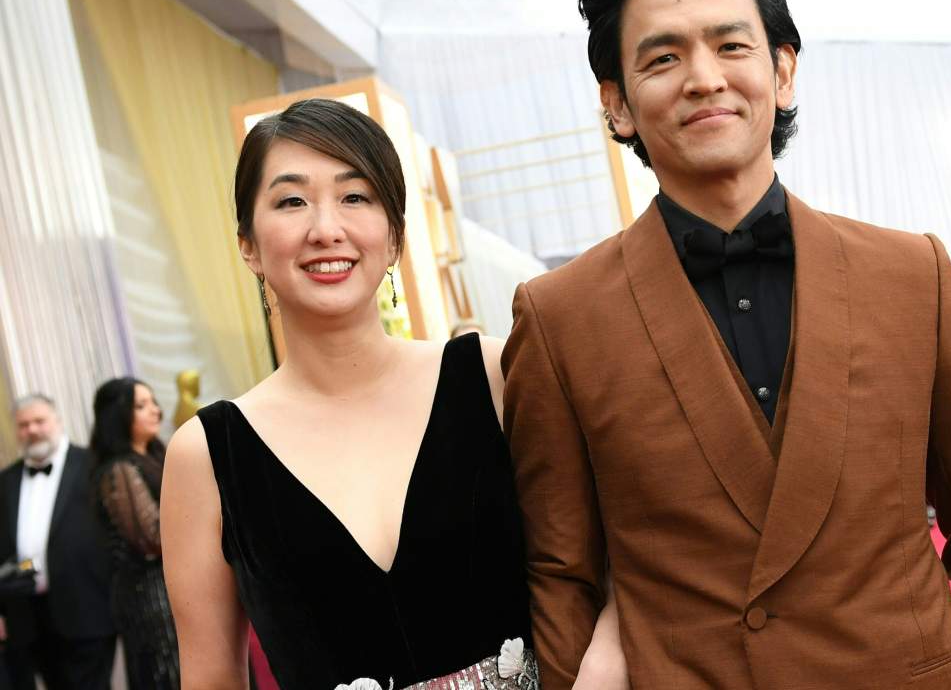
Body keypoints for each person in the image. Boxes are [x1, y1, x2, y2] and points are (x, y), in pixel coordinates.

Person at [503, 0, 951, 689]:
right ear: (617, 104)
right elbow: (560, 571)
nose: (704, 78)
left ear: (783, 71)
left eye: (731, 46)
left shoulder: (914, 275)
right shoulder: (559, 317)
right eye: (663, 58)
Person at [160, 99, 626, 689]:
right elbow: (210, 678)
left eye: (355, 197)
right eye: (292, 201)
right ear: (248, 244)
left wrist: (604, 667)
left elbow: (618, 552)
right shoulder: (206, 455)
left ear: (396, 235)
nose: (326, 228)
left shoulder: (491, 375)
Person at [0, 395, 115, 690]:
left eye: (39, 421)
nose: (32, 430)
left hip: (87, 608)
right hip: (28, 618)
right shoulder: (6, 480)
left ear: (58, 421)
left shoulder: (93, 464)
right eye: (24, 425)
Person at [91, 378, 180, 689]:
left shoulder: (156, 456)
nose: (155, 410)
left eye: (153, 402)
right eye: (141, 405)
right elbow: (151, 538)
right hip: (152, 595)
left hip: (173, 585)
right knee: (171, 675)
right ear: (117, 415)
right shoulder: (120, 469)